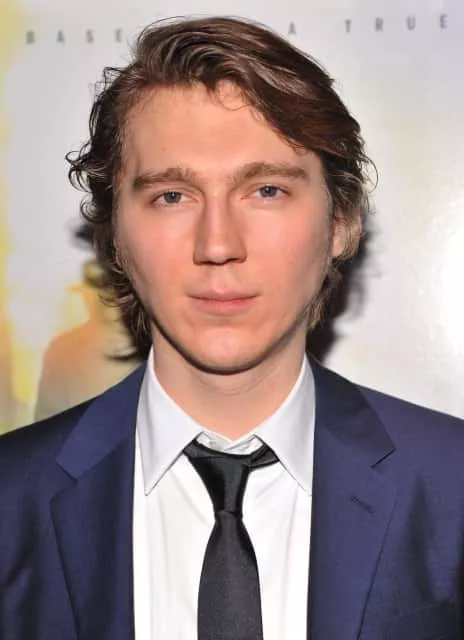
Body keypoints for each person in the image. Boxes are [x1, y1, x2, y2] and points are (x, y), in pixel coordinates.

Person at [1, 16, 463, 640]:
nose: (217, 244)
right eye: (172, 196)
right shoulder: (10, 501)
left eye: (266, 190)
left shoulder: (453, 486)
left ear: (341, 222)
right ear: (115, 237)